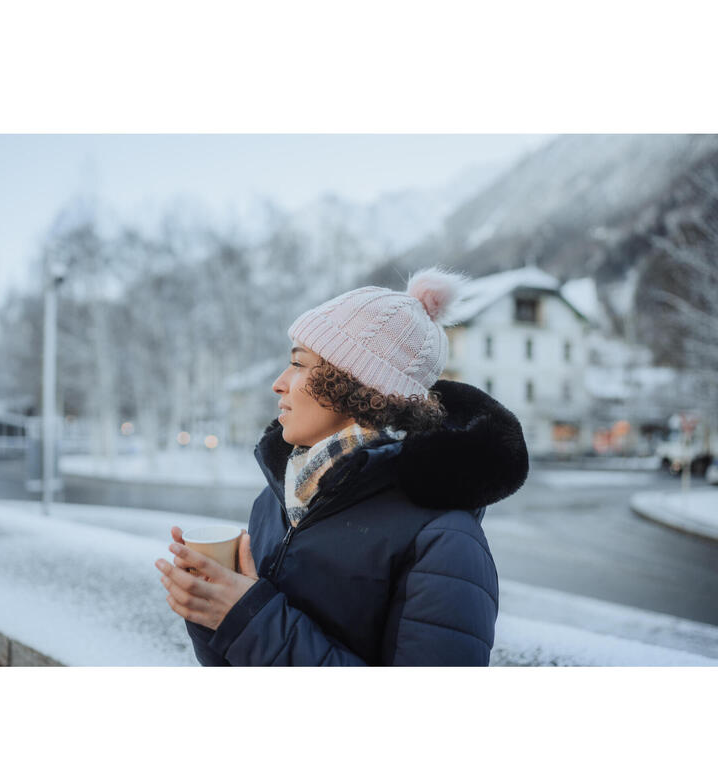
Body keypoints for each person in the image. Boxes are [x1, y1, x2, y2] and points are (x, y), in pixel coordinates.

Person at [154, 267, 529, 665]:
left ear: (355, 387)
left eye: (299, 364)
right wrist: (210, 610)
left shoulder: (444, 539)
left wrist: (248, 618)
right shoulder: (277, 500)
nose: (279, 383)